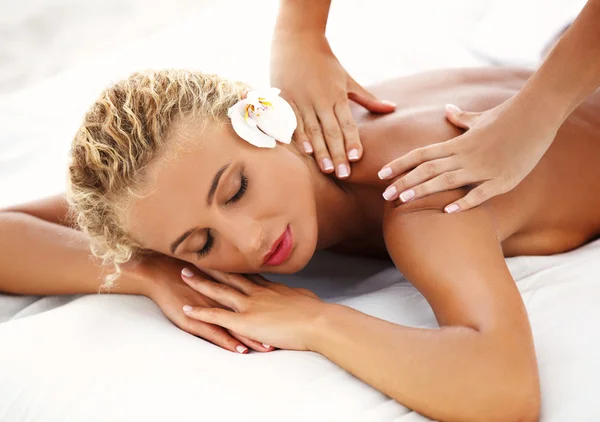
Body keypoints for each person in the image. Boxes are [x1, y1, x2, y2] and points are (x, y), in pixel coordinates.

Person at [2, 66, 600, 421]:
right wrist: (150, 275)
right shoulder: (224, 157)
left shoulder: (419, 194)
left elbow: (507, 390)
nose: (250, 239)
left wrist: (318, 322)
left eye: (235, 190)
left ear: (262, 117)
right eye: (202, 243)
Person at [271, 0, 600, 212]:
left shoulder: (421, 205)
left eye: (236, 189)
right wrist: (299, 28)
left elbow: (497, 327)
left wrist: (537, 113)